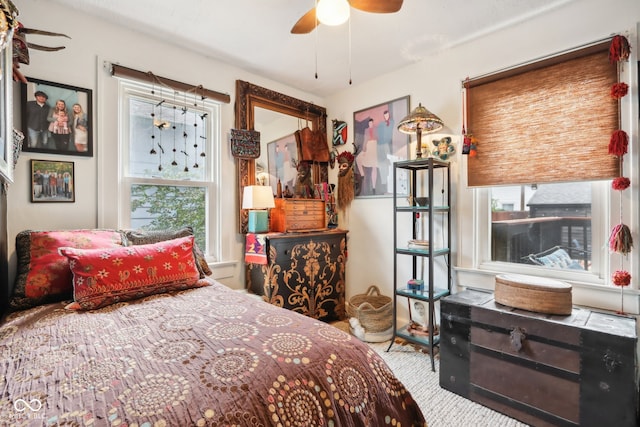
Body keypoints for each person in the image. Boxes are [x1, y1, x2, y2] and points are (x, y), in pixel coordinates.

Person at [356, 118, 378, 194]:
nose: (370, 124)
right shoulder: (366, 130)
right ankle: (362, 174)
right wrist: (364, 149)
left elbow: (378, 139)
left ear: (373, 123)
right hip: (368, 146)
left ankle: (374, 187)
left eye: (371, 123)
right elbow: (365, 139)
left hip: (374, 146)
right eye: (369, 123)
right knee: (358, 158)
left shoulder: (376, 129)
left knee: (374, 166)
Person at [377, 110, 394, 193]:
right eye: (385, 115)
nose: (386, 116)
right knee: (381, 163)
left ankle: (388, 185)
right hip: (380, 144)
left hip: (387, 144)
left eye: (387, 115)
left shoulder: (391, 122)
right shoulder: (382, 124)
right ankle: (384, 184)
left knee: (388, 163)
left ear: (389, 115)